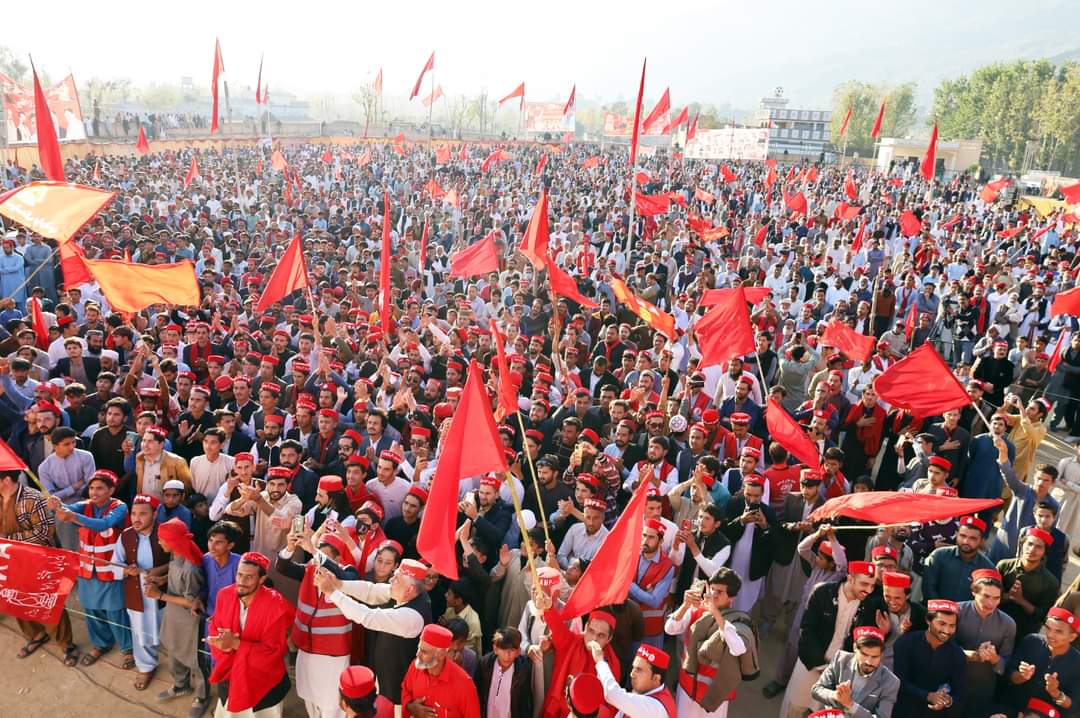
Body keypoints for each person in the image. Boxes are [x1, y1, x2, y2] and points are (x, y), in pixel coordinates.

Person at [313, 557, 431, 706]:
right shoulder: (407, 591)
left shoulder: (411, 617)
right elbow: (371, 591)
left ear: (409, 590)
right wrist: (339, 584)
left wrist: (331, 592)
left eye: (397, 579)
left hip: (399, 694)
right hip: (386, 679)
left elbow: (367, 617)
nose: (391, 580)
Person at [47, 469, 133, 668]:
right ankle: (101, 644)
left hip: (112, 568)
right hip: (87, 568)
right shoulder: (84, 505)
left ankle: (127, 648)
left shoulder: (120, 507)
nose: (94, 492)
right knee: (91, 609)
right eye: (92, 488)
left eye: (100, 488)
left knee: (115, 610)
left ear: (111, 490)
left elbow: (104, 524)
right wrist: (55, 506)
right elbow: (65, 509)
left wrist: (71, 517)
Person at [278, 528, 360, 718]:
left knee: (332, 702)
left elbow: (345, 577)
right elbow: (282, 567)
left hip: (334, 654)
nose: (316, 563)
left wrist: (315, 552)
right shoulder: (309, 570)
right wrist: (290, 546)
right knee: (309, 695)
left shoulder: (349, 573)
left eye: (322, 557)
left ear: (338, 559)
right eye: (316, 556)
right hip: (307, 647)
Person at [0, 467, 78, 664]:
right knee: (15, 598)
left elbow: (44, 533)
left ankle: (66, 644)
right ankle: (35, 634)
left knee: (49, 602)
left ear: (6, 480)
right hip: (11, 559)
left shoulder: (33, 498)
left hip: (39, 557)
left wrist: (10, 542)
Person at [780, 561, 877, 718]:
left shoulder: (869, 607)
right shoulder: (822, 592)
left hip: (838, 674)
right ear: (850, 578)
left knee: (825, 713)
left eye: (872, 586)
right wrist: (818, 664)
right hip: (811, 664)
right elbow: (807, 630)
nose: (868, 590)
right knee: (795, 707)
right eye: (864, 584)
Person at [207, 552, 295, 717]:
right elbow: (215, 627)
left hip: (263, 682)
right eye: (239, 575)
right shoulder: (224, 595)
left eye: (249, 577)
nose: (241, 582)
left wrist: (235, 644)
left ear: (262, 580)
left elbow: (272, 652)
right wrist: (221, 646)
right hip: (231, 674)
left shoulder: (276, 605)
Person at [664, 567, 757, 718]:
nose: (713, 594)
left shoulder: (740, 621)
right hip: (687, 689)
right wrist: (685, 606)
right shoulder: (696, 610)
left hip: (715, 697)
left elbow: (738, 648)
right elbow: (670, 628)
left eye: (719, 592)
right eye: (712, 589)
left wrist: (715, 613)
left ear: (732, 598)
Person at [149, 517, 209, 718]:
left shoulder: (191, 569)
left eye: (162, 540)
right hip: (173, 615)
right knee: (173, 649)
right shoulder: (177, 555)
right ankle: (180, 685)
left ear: (173, 542)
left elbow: (191, 602)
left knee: (195, 658)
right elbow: (175, 576)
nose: (159, 543)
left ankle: (202, 695)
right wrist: (162, 579)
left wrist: (160, 595)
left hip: (189, 621)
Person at [535, 589, 620, 718]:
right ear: (585, 628)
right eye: (591, 631)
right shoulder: (571, 642)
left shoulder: (613, 663)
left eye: (601, 635)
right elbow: (557, 627)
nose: (594, 639)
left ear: (609, 639)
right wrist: (549, 608)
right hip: (560, 713)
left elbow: (612, 701)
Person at [114, 493, 168, 691]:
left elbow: (182, 561)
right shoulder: (126, 536)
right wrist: (125, 570)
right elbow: (115, 564)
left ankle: (182, 672)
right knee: (140, 632)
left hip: (166, 594)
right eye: (134, 513)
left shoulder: (166, 532)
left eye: (143, 514)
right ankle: (146, 666)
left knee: (171, 632)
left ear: (155, 514)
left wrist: (159, 571)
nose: (136, 518)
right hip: (137, 594)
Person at [955, 568, 1016, 716]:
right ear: (974, 592)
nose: (991, 603)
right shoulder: (956, 611)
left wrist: (994, 658)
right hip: (950, 681)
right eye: (986, 596)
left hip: (980, 690)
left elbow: (1006, 663)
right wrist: (969, 654)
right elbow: (941, 647)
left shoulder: (1008, 624)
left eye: (996, 598)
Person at [892, 599, 967, 717]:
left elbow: (960, 691)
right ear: (928, 620)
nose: (947, 631)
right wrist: (928, 696)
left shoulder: (957, 655)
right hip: (901, 708)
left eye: (952, 626)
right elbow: (898, 681)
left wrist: (947, 701)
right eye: (942, 624)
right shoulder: (906, 643)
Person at [999, 607, 1080, 715]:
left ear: (1072, 637)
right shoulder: (1032, 641)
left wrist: (1055, 693)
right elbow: (1009, 674)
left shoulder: (1077, 662)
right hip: (1011, 708)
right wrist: (1022, 676)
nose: (1050, 634)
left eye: (1058, 632)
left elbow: (1073, 706)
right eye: (1048, 628)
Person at [810, 626, 900, 718]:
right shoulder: (840, 659)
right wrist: (835, 695)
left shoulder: (891, 682)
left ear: (882, 655)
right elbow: (816, 690)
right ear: (855, 648)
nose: (869, 662)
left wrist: (851, 705)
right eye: (864, 655)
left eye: (875, 657)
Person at [400, 623, 482, 718]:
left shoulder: (464, 685)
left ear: (441, 655)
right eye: (419, 648)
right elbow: (405, 690)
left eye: (424, 651)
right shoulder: (415, 666)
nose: (418, 654)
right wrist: (410, 707)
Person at [997, 527, 1060, 639]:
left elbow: (1042, 616)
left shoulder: (1051, 582)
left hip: (1022, 632)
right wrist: (1008, 596)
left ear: (1045, 551)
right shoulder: (1004, 566)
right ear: (1022, 544)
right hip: (995, 623)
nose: (1032, 549)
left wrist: (1021, 601)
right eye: (1029, 544)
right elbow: (989, 596)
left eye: (1038, 547)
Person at [589, 642, 676, 718]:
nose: (632, 674)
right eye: (633, 668)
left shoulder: (656, 708)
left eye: (639, 670)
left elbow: (612, 694)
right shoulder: (643, 691)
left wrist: (600, 661)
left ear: (655, 679)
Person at [921, 515, 996, 602]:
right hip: (933, 612)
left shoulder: (988, 569)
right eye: (963, 536)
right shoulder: (939, 556)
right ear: (956, 534)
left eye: (972, 538)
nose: (966, 541)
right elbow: (928, 588)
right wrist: (940, 611)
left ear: (981, 541)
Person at [629, 518, 675, 648]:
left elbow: (654, 601)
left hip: (650, 631)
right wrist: (644, 593)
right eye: (644, 535)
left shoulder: (667, 566)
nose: (645, 541)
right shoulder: (632, 554)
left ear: (660, 541)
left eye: (651, 537)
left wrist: (630, 585)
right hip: (628, 623)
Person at [477, 627, 533, 718]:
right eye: (503, 650)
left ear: (518, 652)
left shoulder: (522, 670)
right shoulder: (484, 665)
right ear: (495, 649)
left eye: (512, 650)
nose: (507, 655)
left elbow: (525, 704)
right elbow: (477, 695)